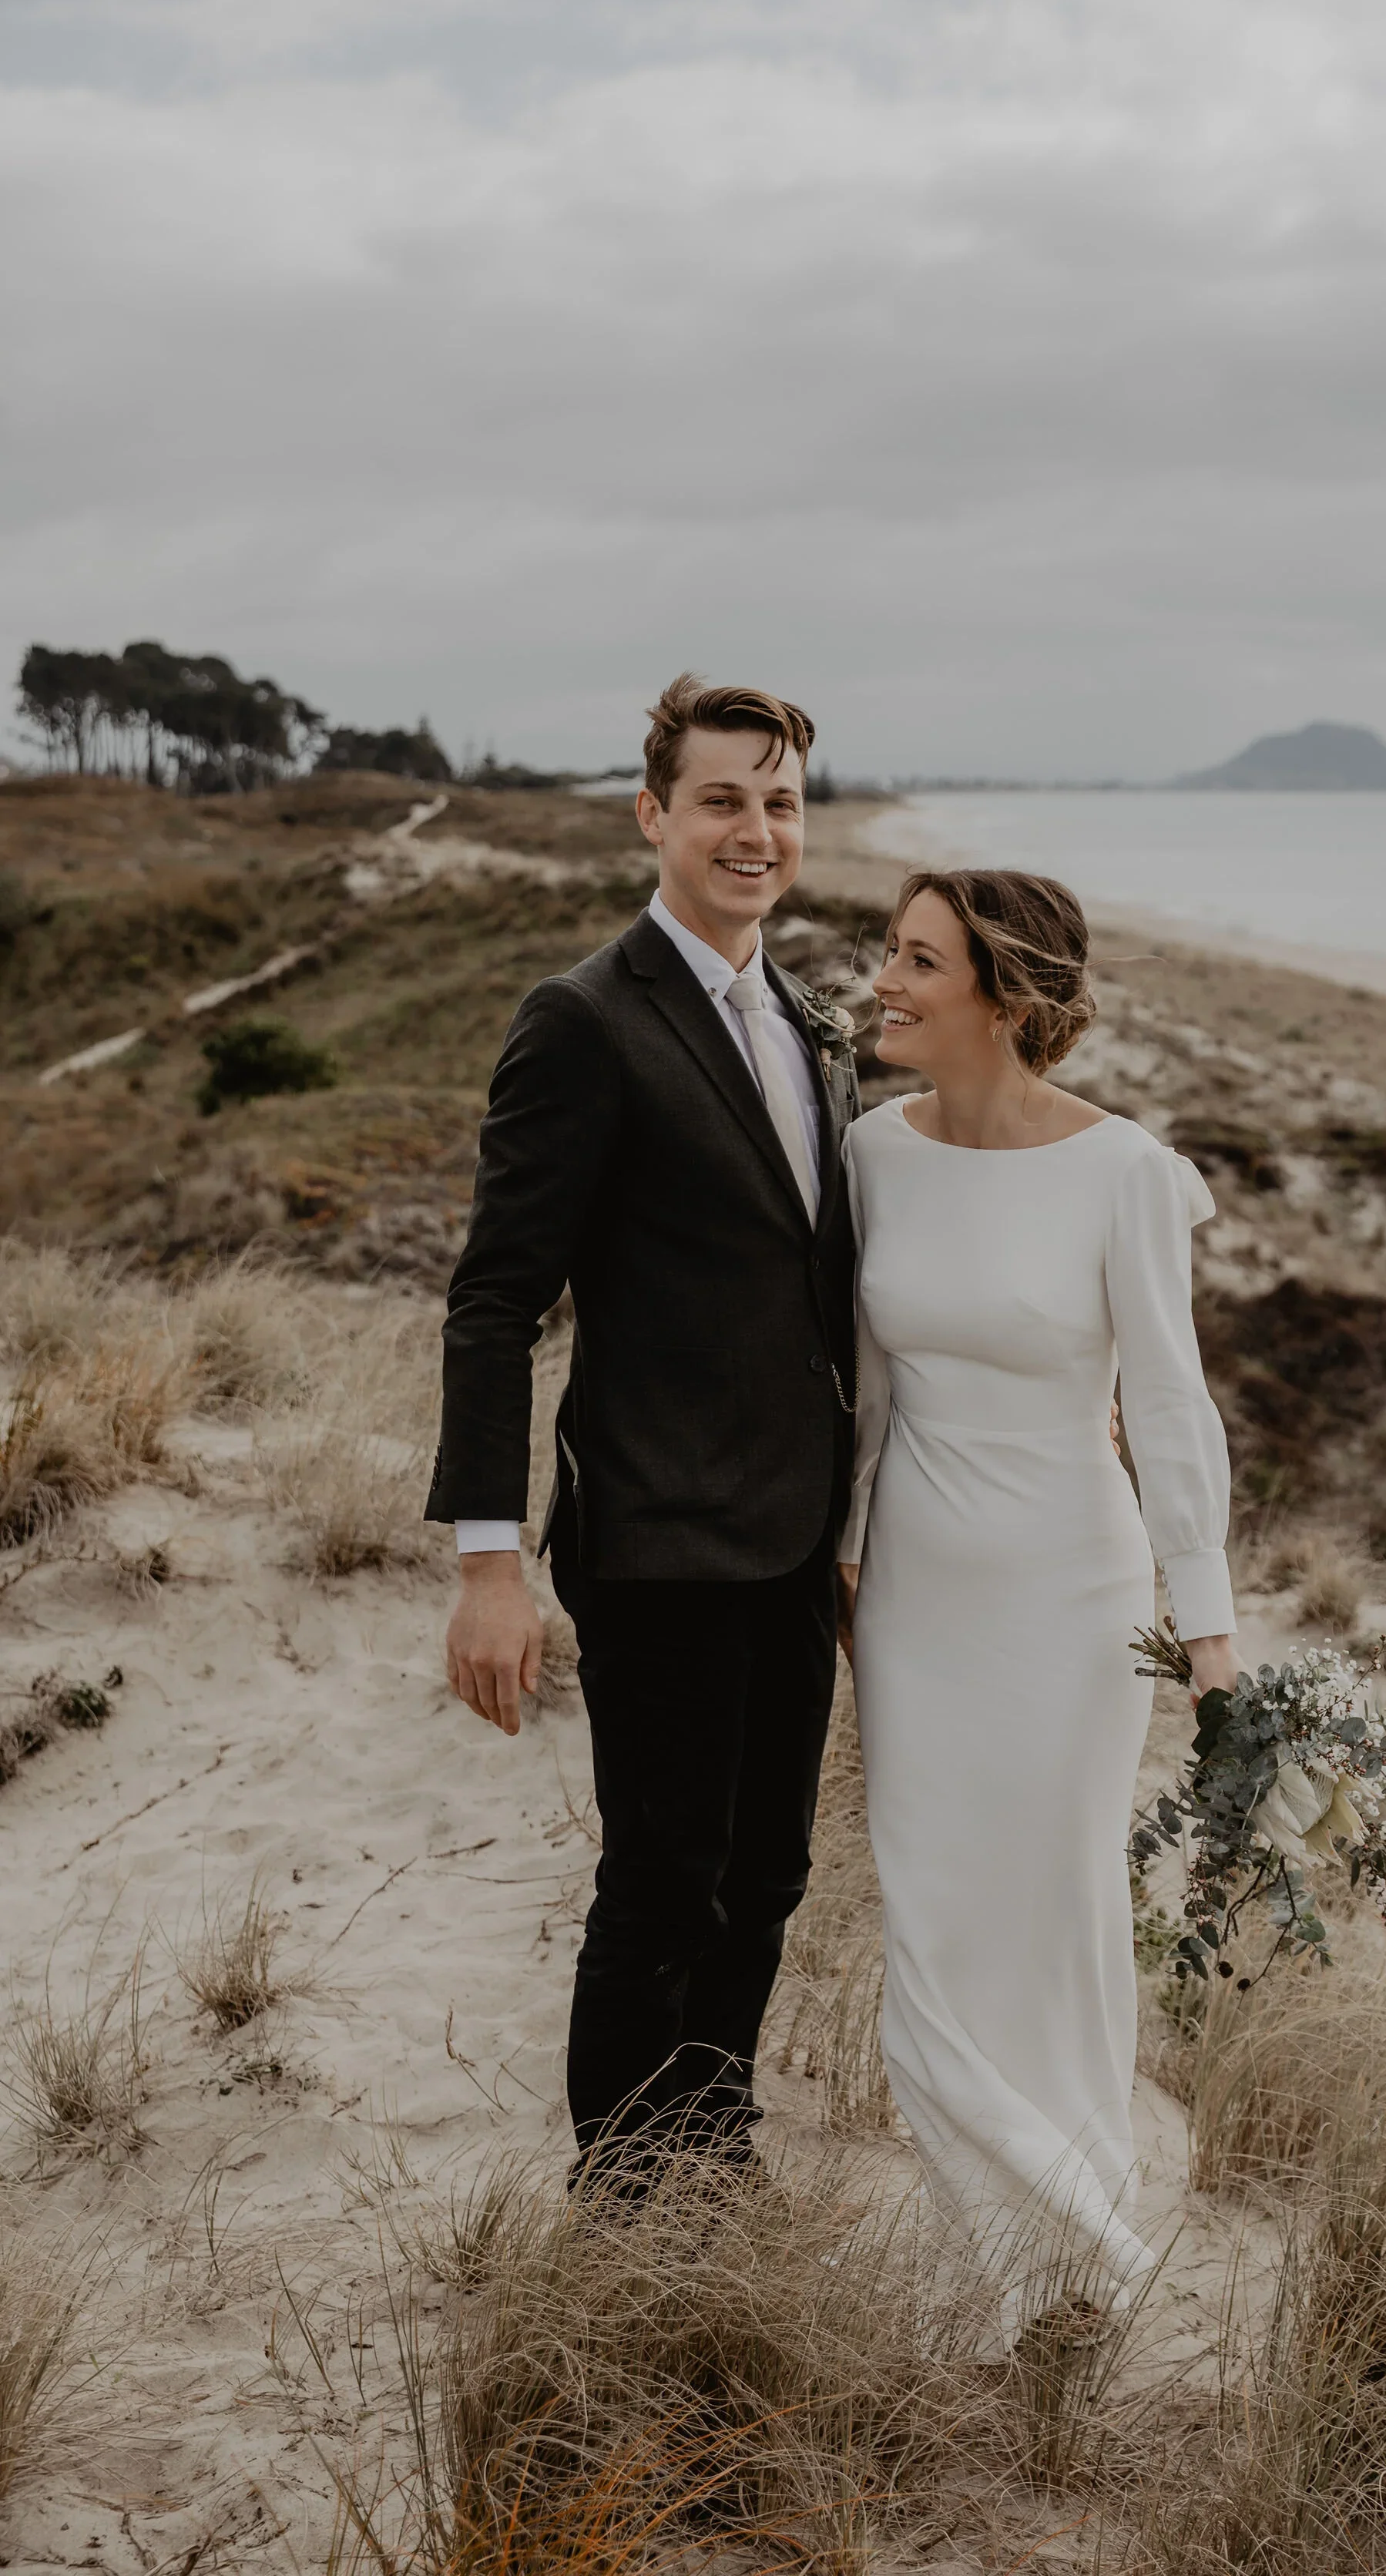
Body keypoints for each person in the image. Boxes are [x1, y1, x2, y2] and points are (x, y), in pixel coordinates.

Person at [427, 673, 860, 2181]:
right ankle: (624, 2200)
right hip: (659, 1535)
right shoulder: (585, 1022)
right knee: (665, 1881)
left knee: (769, 1874)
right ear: (654, 815)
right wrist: (488, 1564)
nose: (757, 830)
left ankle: (712, 2130)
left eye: (783, 800)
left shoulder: (807, 1030)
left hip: (798, 1541)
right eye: (724, 798)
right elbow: (494, 1303)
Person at [836, 868, 1236, 2333]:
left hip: (1074, 1592)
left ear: (1003, 998)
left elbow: (1175, 1412)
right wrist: (841, 1541)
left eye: (917, 958)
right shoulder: (872, 1153)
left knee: (1057, 1909)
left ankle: (1077, 2229)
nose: (883, 978)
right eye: (890, 949)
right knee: (935, 1915)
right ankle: (993, 2258)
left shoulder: (1123, 1171)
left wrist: (1212, 1635)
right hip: (916, 1595)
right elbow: (865, 1387)